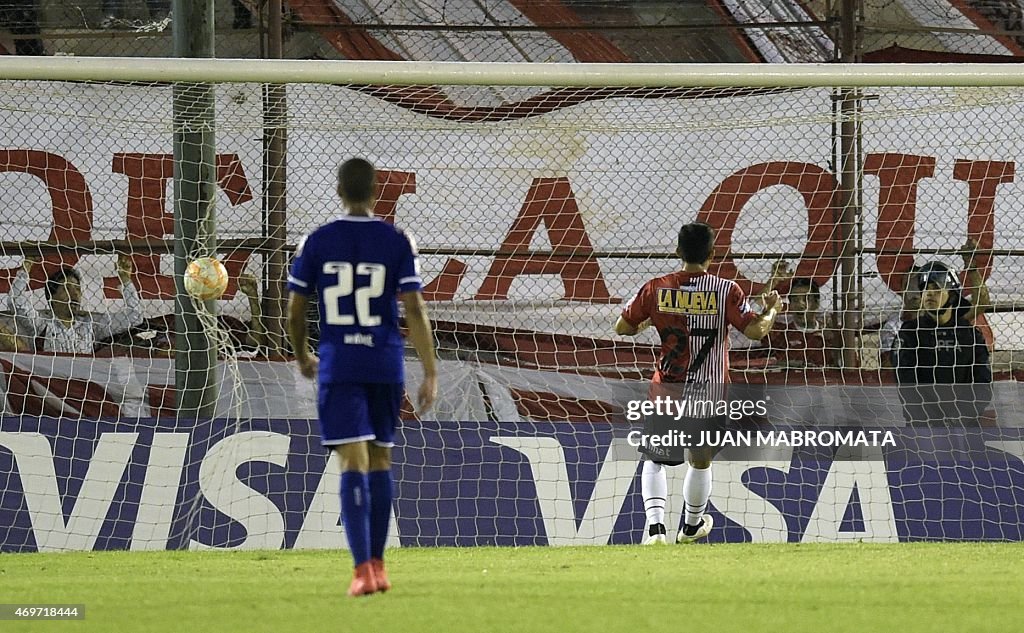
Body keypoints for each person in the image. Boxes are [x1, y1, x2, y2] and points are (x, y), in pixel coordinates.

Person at [287, 158, 438, 597]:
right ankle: (379, 565)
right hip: (384, 363)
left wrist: (301, 355)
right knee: (381, 460)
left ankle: (360, 571)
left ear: (338, 189)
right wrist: (429, 370)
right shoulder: (396, 239)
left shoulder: (316, 241)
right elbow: (414, 309)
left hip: (340, 363)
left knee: (351, 462)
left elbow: (296, 308)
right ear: (375, 191)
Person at [614, 222, 781, 545]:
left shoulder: (656, 287)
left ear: (678, 252)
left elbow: (623, 327)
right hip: (709, 389)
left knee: (655, 459)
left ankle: (655, 529)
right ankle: (690, 526)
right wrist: (771, 310)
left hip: (667, 387)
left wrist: (648, 321)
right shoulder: (727, 290)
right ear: (713, 254)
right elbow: (756, 331)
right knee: (701, 460)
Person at [894, 262, 993, 426]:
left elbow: (982, 385)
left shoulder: (969, 335)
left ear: (952, 296)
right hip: (924, 430)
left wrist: (959, 417)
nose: (929, 293)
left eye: (936, 288)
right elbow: (907, 385)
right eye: (925, 288)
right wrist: (933, 421)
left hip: (964, 428)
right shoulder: (910, 334)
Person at [7, 255, 143, 354]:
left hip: (83, 390)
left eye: (77, 289)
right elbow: (16, 300)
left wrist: (125, 279)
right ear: (51, 297)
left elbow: (134, 316)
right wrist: (27, 266)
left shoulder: (91, 326)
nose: (75, 294)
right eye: (67, 289)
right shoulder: (41, 324)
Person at [760, 261, 841, 369]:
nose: (800, 304)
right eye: (795, 299)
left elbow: (849, 365)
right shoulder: (781, 333)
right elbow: (756, 310)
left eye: (806, 299)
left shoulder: (828, 335)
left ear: (816, 303)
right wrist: (773, 280)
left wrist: (837, 341)